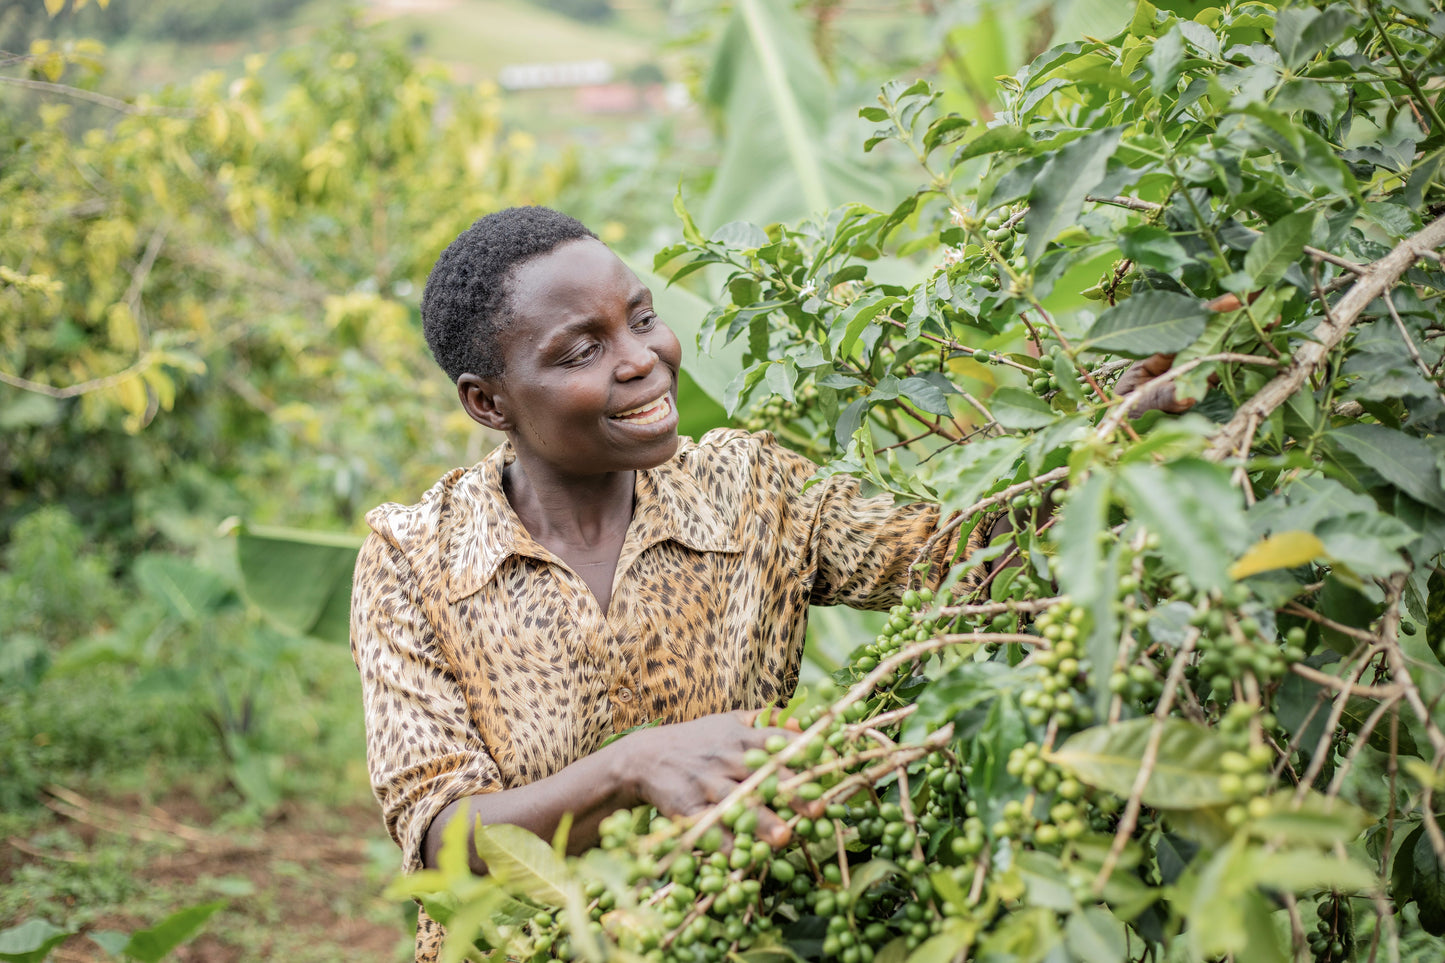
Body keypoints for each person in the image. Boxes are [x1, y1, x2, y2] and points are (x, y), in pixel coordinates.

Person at [348, 206, 995, 962]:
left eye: (642, 318)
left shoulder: (750, 487)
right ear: (489, 402)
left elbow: (960, 557)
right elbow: (442, 840)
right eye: (580, 351)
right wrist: (632, 765)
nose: (641, 359)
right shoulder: (413, 557)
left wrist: (1110, 434)